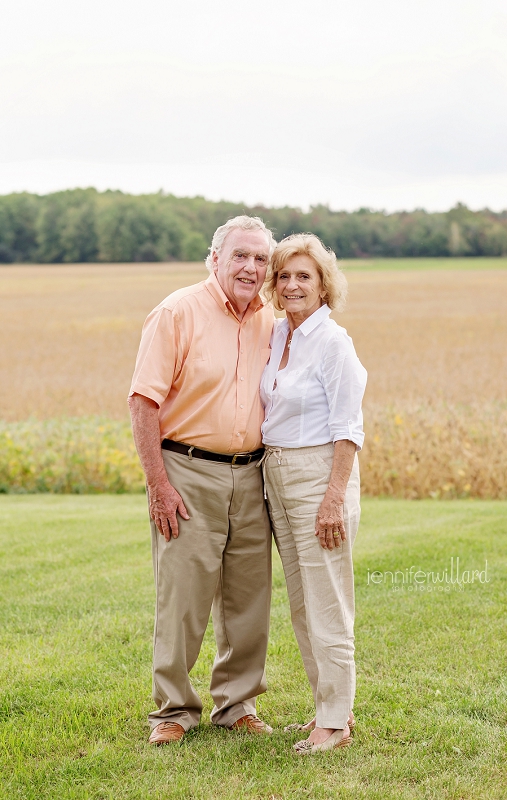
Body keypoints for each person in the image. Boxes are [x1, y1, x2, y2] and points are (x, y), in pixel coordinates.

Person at [128, 215, 276, 745]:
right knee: (182, 596)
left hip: (253, 475)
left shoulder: (270, 320)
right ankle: (173, 710)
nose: (251, 268)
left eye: (261, 259)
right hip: (187, 472)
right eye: (240, 255)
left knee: (248, 599)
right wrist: (157, 483)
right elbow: (143, 401)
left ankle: (238, 704)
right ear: (215, 259)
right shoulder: (176, 312)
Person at [259, 233, 367, 754]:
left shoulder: (333, 342)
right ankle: (326, 706)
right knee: (303, 604)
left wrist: (333, 497)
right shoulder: (280, 335)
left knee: (328, 601)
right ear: (275, 288)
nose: (294, 284)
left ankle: (337, 722)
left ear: (324, 285)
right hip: (275, 476)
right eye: (285, 276)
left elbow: (349, 426)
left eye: (305, 275)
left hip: (319, 475)